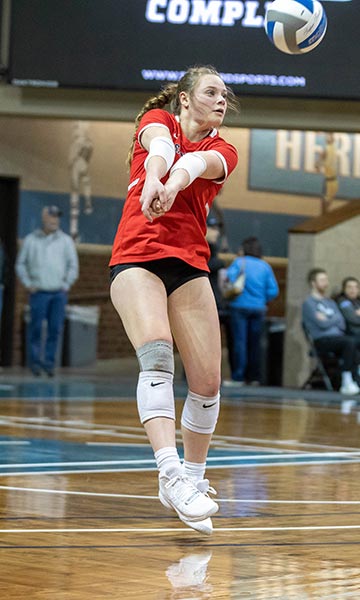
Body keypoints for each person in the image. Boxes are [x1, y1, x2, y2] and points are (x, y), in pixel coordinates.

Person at [109, 65, 238, 535]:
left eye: (225, 94)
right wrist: (153, 180)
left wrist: (170, 185)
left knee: (206, 381)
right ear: (184, 99)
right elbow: (163, 151)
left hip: (189, 264)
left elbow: (194, 166)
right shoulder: (157, 122)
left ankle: (193, 481)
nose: (222, 100)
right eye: (211, 92)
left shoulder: (223, 148)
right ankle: (169, 471)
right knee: (158, 355)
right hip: (137, 257)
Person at [16, 205, 79, 377]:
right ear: (44, 217)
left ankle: (49, 364)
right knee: (35, 329)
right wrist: (28, 284)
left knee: (55, 329)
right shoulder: (31, 240)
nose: (55, 220)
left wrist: (66, 284)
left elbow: (73, 266)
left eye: (57, 217)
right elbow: (21, 264)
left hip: (58, 293)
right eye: (51, 216)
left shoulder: (66, 241)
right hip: (38, 293)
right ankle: (35, 364)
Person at [224, 236, 279, 385]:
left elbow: (228, 279)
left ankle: (238, 377)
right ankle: (254, 377)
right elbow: (274, 290)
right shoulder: (265, 266)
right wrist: (262, 299)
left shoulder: (239, 262)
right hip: (259, 308)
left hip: (239, 307)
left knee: (240, 342)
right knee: (255, 344)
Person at [302, 268, 359, 395]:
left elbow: (342, 322)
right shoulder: (309, 303)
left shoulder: (330, 302)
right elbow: (321, 324)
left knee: (354, 341)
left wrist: (328, 319)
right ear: (313, 283)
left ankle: (356, 379)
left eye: (326, 279)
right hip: (322, 340)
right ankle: (346, 380)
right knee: (349, 342)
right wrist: (332, 319)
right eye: (322, 280)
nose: (326, 283)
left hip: (337, 337)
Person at [206, 216, 234, 376]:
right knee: (203, 341)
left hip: (217, 300)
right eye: (213, 228)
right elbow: (201, 266)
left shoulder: (214, 248)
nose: (217, 232)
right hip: (204, 300)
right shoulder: (200, 245)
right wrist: (220, 264)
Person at [315, 132, 338, 214]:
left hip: (332, 181)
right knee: (325, 205)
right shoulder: (329, 148)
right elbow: (320, 158)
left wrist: (317, 165)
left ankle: (324, 218)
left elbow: (319, 160)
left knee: (326, 205)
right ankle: (323, 218)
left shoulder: (331, 148)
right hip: (330, 181)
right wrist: (318, 165)